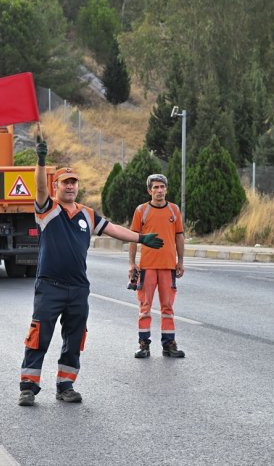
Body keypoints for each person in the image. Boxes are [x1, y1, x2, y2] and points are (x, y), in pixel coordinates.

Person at [18, 133, 165, 407]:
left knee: (75, 338)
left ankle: (66, 385)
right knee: (40, 335)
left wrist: (140, 238)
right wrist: (40, 160)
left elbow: (112, 229)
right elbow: (38, 189)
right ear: (56, 185)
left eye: (74, 183)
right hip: (50, 286)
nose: (71, 187)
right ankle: (28, 386)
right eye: (66, 183)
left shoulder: (87, 213)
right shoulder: (47, 210)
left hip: (77, 289)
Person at [128, 173, 185, 359]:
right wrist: (131, 263)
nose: (159, 191)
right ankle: (144, 344)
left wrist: (181, 261)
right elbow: (133, 238)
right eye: (155, 188)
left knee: (167, 307)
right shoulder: (141, 210)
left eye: (162, 187)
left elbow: (179, 236)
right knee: (145, 306)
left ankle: (169, 345)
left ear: (166, 189)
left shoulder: (174, 210)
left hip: (168, 266)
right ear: (149, 190)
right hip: (147, 267)